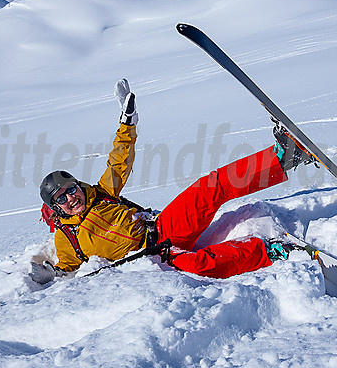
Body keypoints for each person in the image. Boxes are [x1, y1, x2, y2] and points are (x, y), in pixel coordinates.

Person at [31, 78, 316, 284]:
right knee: (199, 265)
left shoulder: (102, 193)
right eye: (62, 199)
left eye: (71, 190)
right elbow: (68, 268)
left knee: (210, 187)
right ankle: (269, 250)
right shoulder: (66, 238)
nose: (71, 198)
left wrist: (127, 122)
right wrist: (52, 273)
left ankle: (284, 157)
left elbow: (120, 158)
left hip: (163, 225)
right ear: (56, 208)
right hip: (153, 256)